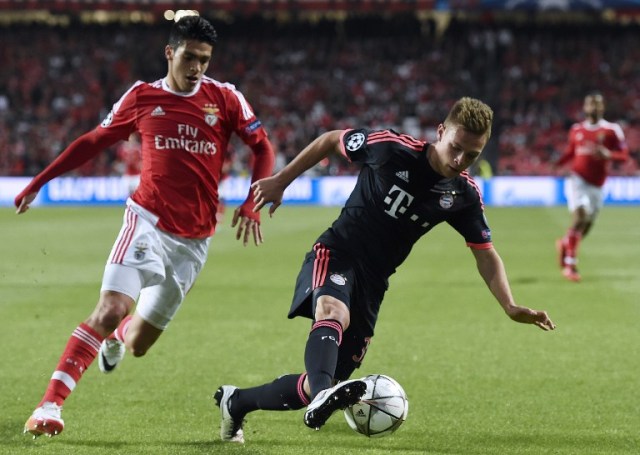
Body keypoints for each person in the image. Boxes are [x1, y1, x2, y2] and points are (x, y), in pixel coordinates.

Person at [212, 97, 556, 444]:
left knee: (325, 380)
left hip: (375, 284)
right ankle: (320, 396)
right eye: (456, 147)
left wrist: (509, 305)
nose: (459, 160)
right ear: (441, 132)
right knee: (332, 311)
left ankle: (237, 401)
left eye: (471, 155)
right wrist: (282, 179)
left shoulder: (462, 194)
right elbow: (333, 139)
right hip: (337, 252)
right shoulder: (391, 149)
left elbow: (485, 254)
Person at [16, 13, 275, 438]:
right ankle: (49, 406)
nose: (196, 68)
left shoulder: (226, 99)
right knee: (110, 306)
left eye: (204, 60)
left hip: (193, 241)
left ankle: (116, 336)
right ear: (170, 53)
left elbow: (261, 147)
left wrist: (253, 202)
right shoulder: (140, 97)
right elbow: (93, 141)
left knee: (137, 344)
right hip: (146, 221)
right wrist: (40, 181)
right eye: (189, 57)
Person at [554, 92, 628, 282]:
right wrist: (558, 164)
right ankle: (570, 265)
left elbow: (624, 155)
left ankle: (565, 243)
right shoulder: (576, 129)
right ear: (585, 108)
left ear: (602, 108)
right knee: (580, 216)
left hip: (598, 184)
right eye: (590, 105)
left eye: (597, 105)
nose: (593, 108)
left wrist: (609, 155)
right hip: (578, 179)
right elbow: (571, 152)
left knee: (586, 225)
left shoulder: (612, 130)